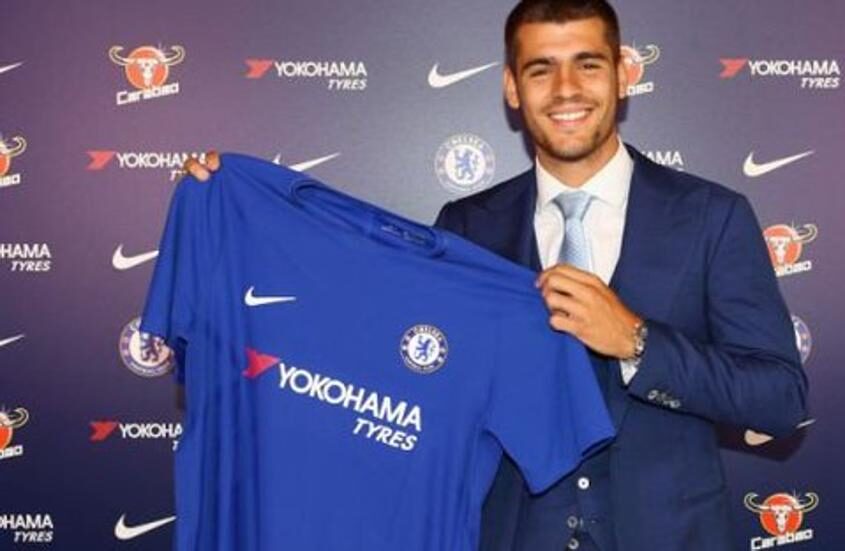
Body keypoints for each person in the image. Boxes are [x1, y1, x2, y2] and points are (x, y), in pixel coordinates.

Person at [184, 2, 808, 549]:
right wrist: (236, 213)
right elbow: (385, 364)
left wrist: (637, 343)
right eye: (541, 69)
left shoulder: (712, 216)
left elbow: (779, 399)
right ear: (512, 88)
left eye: (588, 64)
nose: (566, 89)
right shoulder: (465, 227)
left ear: (624, 75)